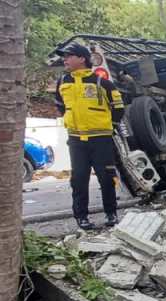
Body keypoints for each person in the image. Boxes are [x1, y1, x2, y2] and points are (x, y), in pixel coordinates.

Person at [53, 43, 124, 230]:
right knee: (79, 179)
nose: (64, 60)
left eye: (68, 56)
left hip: (101, 139)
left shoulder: (102, 83)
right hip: (76, 140)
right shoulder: (63, 82)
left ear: (82, 58)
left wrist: (109, 126)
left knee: (107, 177)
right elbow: (59, 105)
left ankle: (111, 213)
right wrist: (70, 120)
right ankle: (81, 217)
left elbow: (118, 108)